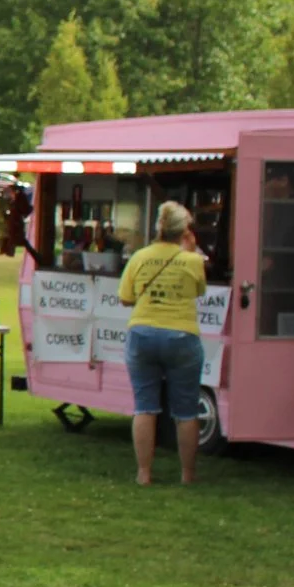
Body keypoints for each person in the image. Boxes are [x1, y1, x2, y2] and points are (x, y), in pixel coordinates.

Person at [120, 200, 211, 487]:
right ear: (184, 231)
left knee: (144, 406)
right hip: (181, 335)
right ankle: (187, 475)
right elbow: (199, 290)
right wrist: (191, 249)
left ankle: (144, 473)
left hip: (142, 332)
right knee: (185, 410)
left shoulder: (139, 257)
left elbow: (126, 297)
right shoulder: (193, 260)